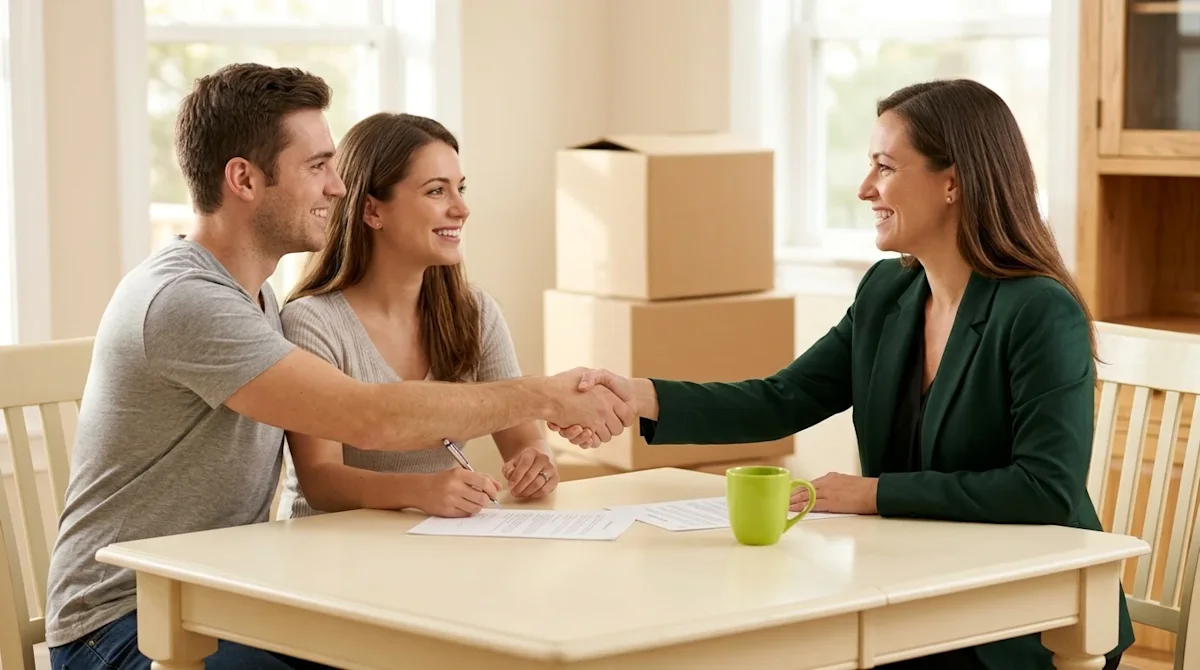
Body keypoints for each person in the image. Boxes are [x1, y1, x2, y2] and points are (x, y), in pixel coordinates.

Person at [45, 63, 632, 670]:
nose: (338, 187)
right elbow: (368, 416)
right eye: (317, 166)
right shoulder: (188, 301)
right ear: (244, 179)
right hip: (125, 624)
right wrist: (544, 395)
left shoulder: (254, 297)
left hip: (215, 598)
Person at [550, 79, 1131, 670]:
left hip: (1025, 617)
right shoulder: (888, 293)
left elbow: (1045, 488)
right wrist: (641, 396)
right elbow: (785, 399)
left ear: (952, 182)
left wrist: (872, 494)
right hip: (912, 591)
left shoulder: (1038, 309)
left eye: (884, 167)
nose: (864, 189)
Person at [276, 112, 559, 519]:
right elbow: (320, 480)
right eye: (436, 192)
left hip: (429, 548)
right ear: (372, 211)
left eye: (460, 189)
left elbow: (524, 439)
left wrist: (537, 464)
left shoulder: (476, 314)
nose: (461, 208)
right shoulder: (312, 323)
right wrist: (421, 490)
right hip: (329, 550)